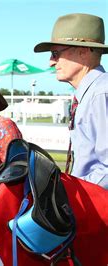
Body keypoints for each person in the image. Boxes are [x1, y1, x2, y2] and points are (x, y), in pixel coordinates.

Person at [34, 13, 108, 189]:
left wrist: (70, 192)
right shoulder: (91, 94)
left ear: (83, 52)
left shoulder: (100, 94)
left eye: (55, 53)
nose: (51, 62)